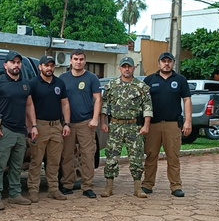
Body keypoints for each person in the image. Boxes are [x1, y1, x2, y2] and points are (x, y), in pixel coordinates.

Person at [0, 51, 38, 210]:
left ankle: (15, 194)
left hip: (21, 131)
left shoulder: (25, 84)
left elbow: (29, 105)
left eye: (18, 62)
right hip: (4, 130)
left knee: (17, 166)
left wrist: (33, 126)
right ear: (5, 65)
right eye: (13, 62)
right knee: (0, 165)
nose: (16, 65)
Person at [100, 57, 153, 198]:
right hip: (115, 126)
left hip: (134, 127)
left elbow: (147, 107)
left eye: (129, 66)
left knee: (136, 157)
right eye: (124, 66)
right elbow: (104, 106)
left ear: (134, 68)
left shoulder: (141, 87)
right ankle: (108, 187)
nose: (127, 69)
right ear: (120, 68)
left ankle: (137, 188)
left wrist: (146, 125)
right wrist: (103, 122)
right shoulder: (111, 86)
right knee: (111, 156)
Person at [142, 52, 192, 198]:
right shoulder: (149, 80)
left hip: (172, 124)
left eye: (169, 61)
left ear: (173, 63)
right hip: (153, 125)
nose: (166, 64)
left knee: (173, 157)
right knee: (151, 156)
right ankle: (147, 184)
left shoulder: (180, 80)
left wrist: (188, 121)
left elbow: (187, 100)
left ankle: (176, 186)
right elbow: (143, 102)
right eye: (163, 61)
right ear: (159, 64)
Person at [26, 55, 71, 202]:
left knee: (54, 161)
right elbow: (28, 106)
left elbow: (65, 104)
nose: (49, 68)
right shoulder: (32, 83)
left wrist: (66, 123)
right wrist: (32, 126)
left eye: (52, 66)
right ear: (40, 67)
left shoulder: (59, 83)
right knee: (36, 161)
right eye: (46, 65)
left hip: (56, 125)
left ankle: (53, 189)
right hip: (40, 126)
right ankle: (33, 190)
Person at [59, 49, 102, 199]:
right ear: (70, 60)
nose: (78, 62)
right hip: (68, 124)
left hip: (86, 122)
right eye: (75, 59)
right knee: (67, 155)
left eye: (81, 59)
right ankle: (67, 184)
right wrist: (64, 122)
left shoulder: (92, 78)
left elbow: (98, 99)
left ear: (85, 61)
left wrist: (95, 118)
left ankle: (87, 186)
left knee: (87, 155)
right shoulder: (63, 78)